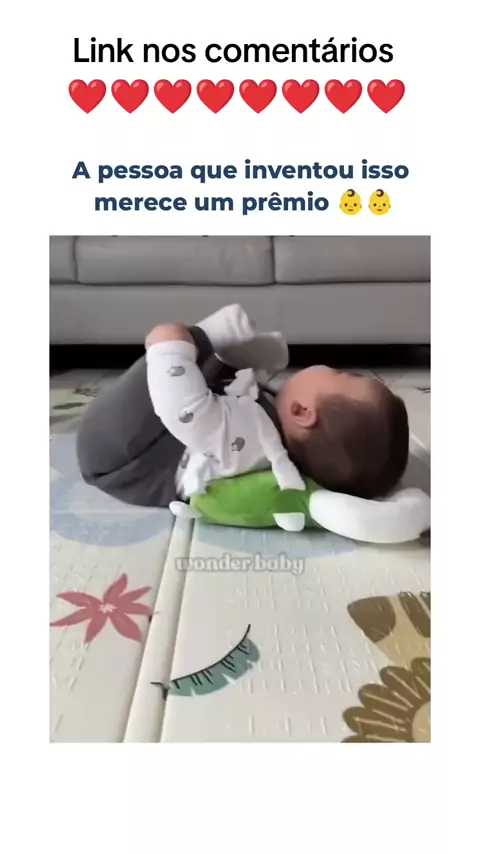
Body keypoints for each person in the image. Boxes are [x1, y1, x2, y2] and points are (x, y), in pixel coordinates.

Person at [76, 304, 409, 508]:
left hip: (122, 461)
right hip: (166, 442)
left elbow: (185, 411)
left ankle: (207, 342)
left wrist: (173, 347)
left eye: (342, 374)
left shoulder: (250, 439)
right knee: (223, 386)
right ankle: (227, 359)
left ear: (302, 413)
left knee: (177, 362)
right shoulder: (272, 426)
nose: (334, 367)